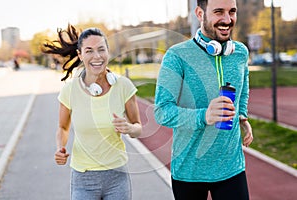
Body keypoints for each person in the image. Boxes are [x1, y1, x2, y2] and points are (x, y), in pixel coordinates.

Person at [154, 0, 253, 199]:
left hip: (231, 168)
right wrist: (204, 116)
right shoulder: (176, 56)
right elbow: (162, 111)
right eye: (218, 12)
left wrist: (242, 116)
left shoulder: (240, 53)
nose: (227, 19)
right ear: (199, 13)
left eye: (232, 11)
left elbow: (243, 87)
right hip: (189, 172)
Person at [42, 24, 142, 200]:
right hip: (83, 178)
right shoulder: (70, 90)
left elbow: (138, 128)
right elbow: (63, 128)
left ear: (108, 52)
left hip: (117, 176)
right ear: (80, 54)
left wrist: (128, 128)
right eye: (89, 51)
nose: (97, 56)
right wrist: (60, 148)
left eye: (101, 50)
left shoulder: (123, 86)